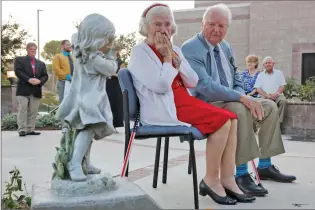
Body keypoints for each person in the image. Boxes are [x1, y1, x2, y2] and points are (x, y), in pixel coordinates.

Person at [128, 3, 255, 205]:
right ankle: (210, 180)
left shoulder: (175, 49)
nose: (163, 29)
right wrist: (167, 59)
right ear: (146, 26)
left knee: (232, 118)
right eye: (157, 24)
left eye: (167, 24)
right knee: (223, 121)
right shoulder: (140, 52)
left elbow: (193, 81)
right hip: (164, 107)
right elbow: (161, 86)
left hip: (184, 101)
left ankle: (227, 178)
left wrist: (175, 58)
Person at [181, 3, 296, 196]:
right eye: (211, 24)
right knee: (240, 109)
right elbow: (205, 86)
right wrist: (242, 98)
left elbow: (236, 78)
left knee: (269, 106)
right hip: (208, 103)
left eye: (222, 26)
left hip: (232, 98)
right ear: (202, 23)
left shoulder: (226, 47)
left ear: (227, 28)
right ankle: (241, 174)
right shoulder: (191, 48)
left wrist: (240, 95)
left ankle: (265, 165)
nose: (216, 29)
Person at [56, 13, 117, 181]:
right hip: (90, 101)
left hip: (86, 99)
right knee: (87, 132)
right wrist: (112, 55)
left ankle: (85, 163)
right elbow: (111, 69)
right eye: (107, 39)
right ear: (96, 38)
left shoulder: (80, 52)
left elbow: (76, 36)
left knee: (88, 133)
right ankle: (75, 163)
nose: (108, 43)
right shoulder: (94, 58)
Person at [14, 42, 48, 137]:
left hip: (36, 90)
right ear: (27, 50)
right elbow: (18, 71)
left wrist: (40, 81)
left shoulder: (41, 63)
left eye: (34, 49)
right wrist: (28, 79)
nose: (33, 51)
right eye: (31, 49)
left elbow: (45, 76)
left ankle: (30, 129)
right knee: (23, 109)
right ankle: (22, 129)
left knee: (33, 110)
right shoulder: (19, 60)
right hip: (23, 89)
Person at [254, 56, 287, 125]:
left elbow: (282, 86)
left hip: (277, 95)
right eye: (266, 63)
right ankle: (265, 124)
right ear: (263, 65)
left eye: (269, 62)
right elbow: (257, 88)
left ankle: (278, 123)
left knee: (283, 101)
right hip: (265, 96)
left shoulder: (279, 73)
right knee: (262, 103)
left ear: (273, 64)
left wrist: (276, 94)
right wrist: (266, 95)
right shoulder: (260, 75)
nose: (267, 64)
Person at [106, 49, 125, 131]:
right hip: (108, 84)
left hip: (116, 85)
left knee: (116, 104)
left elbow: (122, 74)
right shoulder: (108, 62)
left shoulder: (120, 62)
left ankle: (115, 124)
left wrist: (113, 74)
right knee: (108, 104)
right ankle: (108, 124)